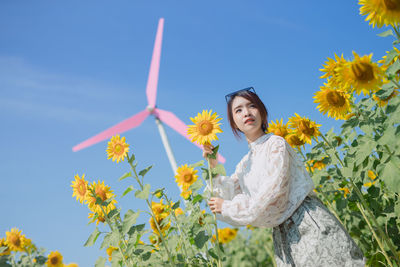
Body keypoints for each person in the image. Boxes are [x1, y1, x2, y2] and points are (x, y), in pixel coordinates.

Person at [204, 87, 365, 266]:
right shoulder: (244, 164)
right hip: (283, 237)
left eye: (252, 106)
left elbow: (273, 193)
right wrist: (213, 166)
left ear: (263, 112)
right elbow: (225, 194)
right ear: (233, 123)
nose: (247, 113)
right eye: (238, 110)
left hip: (307, 223)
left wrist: (227, 207)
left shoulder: (276, 144)